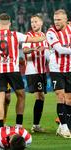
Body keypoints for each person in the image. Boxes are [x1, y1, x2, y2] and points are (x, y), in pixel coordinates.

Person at [0, 13, 46, 128]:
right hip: (13, 70)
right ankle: (18, 124)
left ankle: (0, 127)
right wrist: (48, 36)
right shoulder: (15, 34)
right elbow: (33, 39)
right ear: (9, 24)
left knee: (0, 100)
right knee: (21, 95)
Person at [22, 15, 50, 133]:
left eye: (36, 22)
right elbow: (25, 50)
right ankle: (35, 125)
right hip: (32, 70)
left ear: (41, 23)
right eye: (32, 22)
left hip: (42, 70)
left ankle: (36, 125)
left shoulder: (46, 37)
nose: (33, 24)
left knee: (42, 96)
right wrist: (34, 49)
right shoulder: (28, 36)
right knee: (39, 96)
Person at [46, 9, 71, 138]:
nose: (56, 22)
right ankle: (65, 127)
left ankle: (63, 126)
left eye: (59, 20)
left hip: (69, 69)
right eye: (55, 20)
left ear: (65, 20)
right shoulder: (50, 32)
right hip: (56, 69)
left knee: (70, 100)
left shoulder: (70, 30)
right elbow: (60, 50)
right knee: (60, 96)